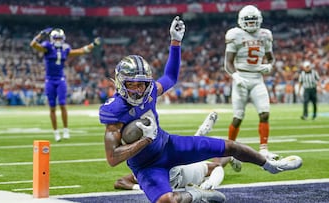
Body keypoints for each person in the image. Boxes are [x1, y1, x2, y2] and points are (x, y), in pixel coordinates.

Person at [99, 16, 302, 203]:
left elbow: (170, 78)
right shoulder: (115, 110)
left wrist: (175, 43)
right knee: (166, 201)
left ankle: (271, 165)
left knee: (230, 146)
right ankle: (198, 193)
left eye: (141, 84)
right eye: (131, 85)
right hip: (146, 166)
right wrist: (145, 140)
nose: (137, 90)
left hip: (169, 145)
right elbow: (112, 158)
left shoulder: (150, 91)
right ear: (120, 83)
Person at [223, 5, 278, 162]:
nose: (251, 23)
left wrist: (269, 65)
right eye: (248, 21)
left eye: (254, 20)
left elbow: (271, 57)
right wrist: (235, 76)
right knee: (238, 117)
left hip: (257, 78)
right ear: (241, 21)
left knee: (265, 113)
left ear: (259, 20)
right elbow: (227, 62)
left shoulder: (265, 35)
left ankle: (264, 149)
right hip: (241, 78)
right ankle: (230, 148)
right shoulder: (235, 35)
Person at [30, 28, 101, 142]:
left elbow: (81, 51)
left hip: (60, 79)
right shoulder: (47, 47)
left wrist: (93, 45)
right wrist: (40, 35)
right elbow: (33, 44)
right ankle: (56, 132)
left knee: (63, 104)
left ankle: (66, 130)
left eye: (60, 38)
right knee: (52, 107)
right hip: (50, 80)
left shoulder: (65, 48)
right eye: (56, 38)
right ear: (52, 39)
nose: (58, 40)